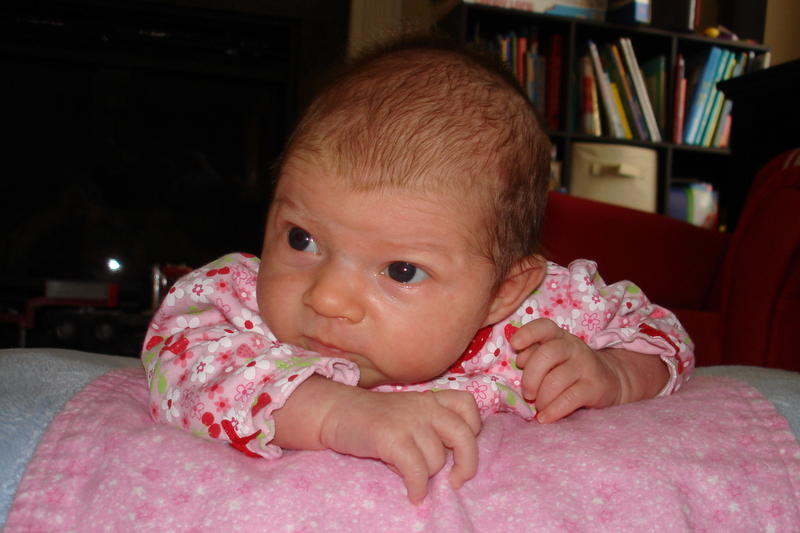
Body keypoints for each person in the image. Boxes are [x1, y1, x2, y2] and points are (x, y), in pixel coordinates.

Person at [142, 33, 694, 505]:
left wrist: (612, 374)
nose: (327, 297)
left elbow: (661, 333)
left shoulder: (540, 317)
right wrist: (337, 413)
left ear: (502, 292)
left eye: (402, 271)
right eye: (301, 238)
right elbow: (179, 367)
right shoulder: (236, 302)